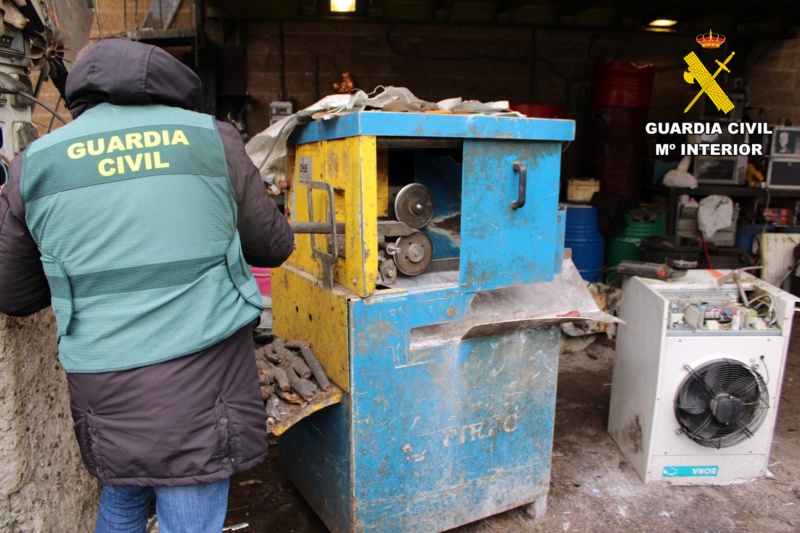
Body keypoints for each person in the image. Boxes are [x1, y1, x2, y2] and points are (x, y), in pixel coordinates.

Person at [0, 38, 294, 532]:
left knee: (124, 490)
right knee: (190, 498)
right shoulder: (210, 138)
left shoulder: (34, 161)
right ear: (171, 89)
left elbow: (12, 293)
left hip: (103, 384)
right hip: (202, 382)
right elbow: (273, 246)